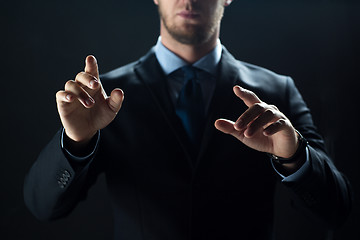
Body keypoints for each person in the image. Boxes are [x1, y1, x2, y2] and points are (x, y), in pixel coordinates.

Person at [24, 0, 352, 239]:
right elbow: (42, 207)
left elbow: (336, 212)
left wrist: (294, 157)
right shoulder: (102, 98)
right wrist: (75, 142)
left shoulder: (277, 92)